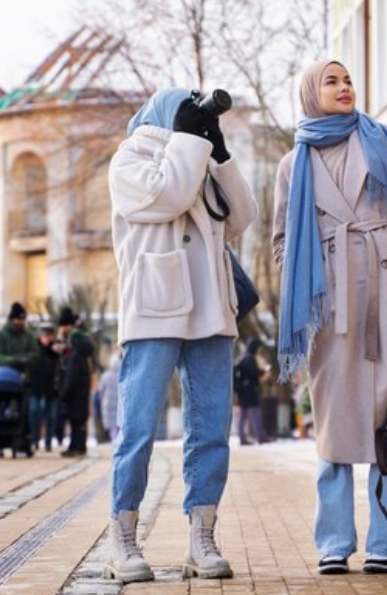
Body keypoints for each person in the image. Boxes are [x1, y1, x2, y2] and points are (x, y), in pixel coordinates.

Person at [272, 60, 387, 576]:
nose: (344, 88)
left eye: (347, 79)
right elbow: (282, 241)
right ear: (310, 92)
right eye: (331, 81)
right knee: (334, 424)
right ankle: (333, 542)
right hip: (330, 309)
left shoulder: (384, 143)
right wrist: (311, 270)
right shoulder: (292, 165)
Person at [105, 87, 258, 583]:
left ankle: (202, 535)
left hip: (212, 308)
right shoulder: (129, 160)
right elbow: (168, 195)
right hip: (154, 306)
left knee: (212, 429)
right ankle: (123, 538)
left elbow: (242, 217)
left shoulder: (197, 154)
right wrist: (189, 140)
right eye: (188, 109)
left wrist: (221, 152)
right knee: (139, 428)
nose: (196, 116)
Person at [56, 306, 94, 458]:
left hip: (77, 389)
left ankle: (77, 447)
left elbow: (72, 374)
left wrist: (65, 392)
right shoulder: (79, 344)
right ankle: (77, 446)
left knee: (76, 420)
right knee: (78, 419)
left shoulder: (75, 344)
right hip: (82, 388)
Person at [28, 322, 61, 451]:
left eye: (49, 336)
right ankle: (34, 439)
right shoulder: (34, 348)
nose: (47, 338)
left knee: (51, 417)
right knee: (34, 413)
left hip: (52, 389)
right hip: (36, 388)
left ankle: (47, 442)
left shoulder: (55, 350)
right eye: (44, 336)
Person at [233, 337, 270, 445]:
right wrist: (265, 370)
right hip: (250, 390)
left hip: (243, 391)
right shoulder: (250, 358)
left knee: (244, 415)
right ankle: (260, 436)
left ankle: (242, 438)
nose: (259, 350)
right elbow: (254, 373)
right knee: (255, 413)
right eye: (259, 347)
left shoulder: (243, 357)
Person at [0, 302, 38, 372]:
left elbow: (35, 351)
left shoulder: (27, 334)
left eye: (23, 320)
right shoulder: (0, 335)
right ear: (12, 319)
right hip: (4, 373)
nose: (21, 322)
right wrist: (16, 359)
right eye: (19, 320)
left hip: (23, 373)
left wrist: (28, 357)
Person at [98, 353, 122, 443]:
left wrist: (101, 400)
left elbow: (100, 390)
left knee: (111, 423)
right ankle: (119, 440)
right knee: (119, 421)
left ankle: (114, 438)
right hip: (119, 401)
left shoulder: (105, 375)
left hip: (107, 402)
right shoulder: (121, 375)